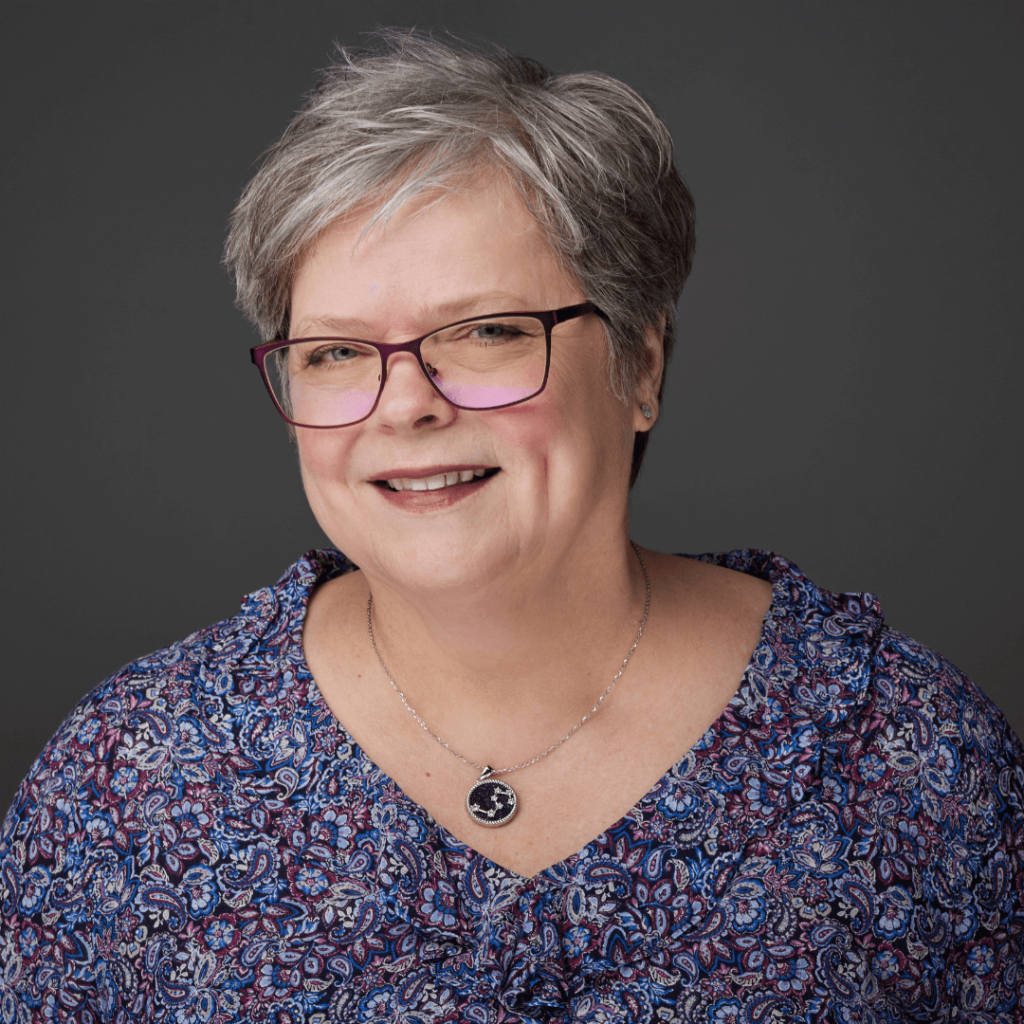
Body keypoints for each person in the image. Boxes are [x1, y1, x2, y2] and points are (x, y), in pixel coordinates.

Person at [1, 28, 1021, 1023]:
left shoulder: (907, 757)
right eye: (336, 353)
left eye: (485, 331)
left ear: (640, 365)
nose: (404, 403)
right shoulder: (130, 781)